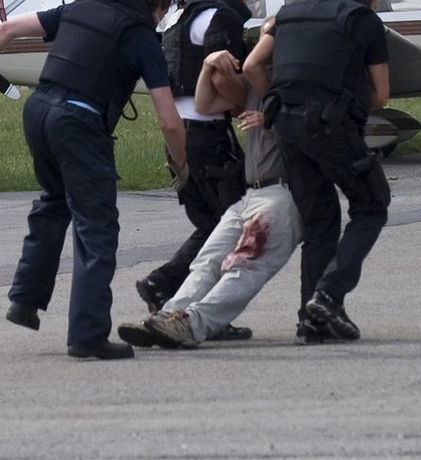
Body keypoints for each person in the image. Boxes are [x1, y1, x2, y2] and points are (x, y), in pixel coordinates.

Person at [0, 0, 187, 361]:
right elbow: (168, 118)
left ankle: (26, 300)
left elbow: (7, 28)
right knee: (96, 228)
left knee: (54, 202)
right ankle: (88, 334)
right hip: (78, 122)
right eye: (163, 14)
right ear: (159, 7)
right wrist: (181, 167)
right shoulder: (142, 35)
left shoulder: (84, 6)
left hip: (39, 109)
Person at [117, 33, 326, 349]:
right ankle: (169, 316)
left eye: (267, 41)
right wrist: (206, 66)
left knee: (245, 267)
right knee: (208, 260)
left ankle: (193, 324)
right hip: (251, 195)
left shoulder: (298, 90)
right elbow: (205, 103)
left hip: (281, 195)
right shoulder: (256, 88)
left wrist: (275, 119)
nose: (256, 47)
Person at [243, 0, 391, 342]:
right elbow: (382, 95)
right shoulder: (363, 19)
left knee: (320, 222)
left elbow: (251, 66)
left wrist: (274, 111)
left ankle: (311, 320)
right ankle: (329, 294)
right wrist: (348, 104)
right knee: (371, 204)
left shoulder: (289, 13)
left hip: (288, 129)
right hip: (331, 125)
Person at [134, 0, 253, 335]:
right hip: (209, 134)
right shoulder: (223, 17)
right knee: (230, 225)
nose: (246, 1)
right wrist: (245, 101)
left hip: (178, 135)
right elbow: (222, 73)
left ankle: (175, 296)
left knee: (210, 223)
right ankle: (174, 289)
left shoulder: (177, 19)